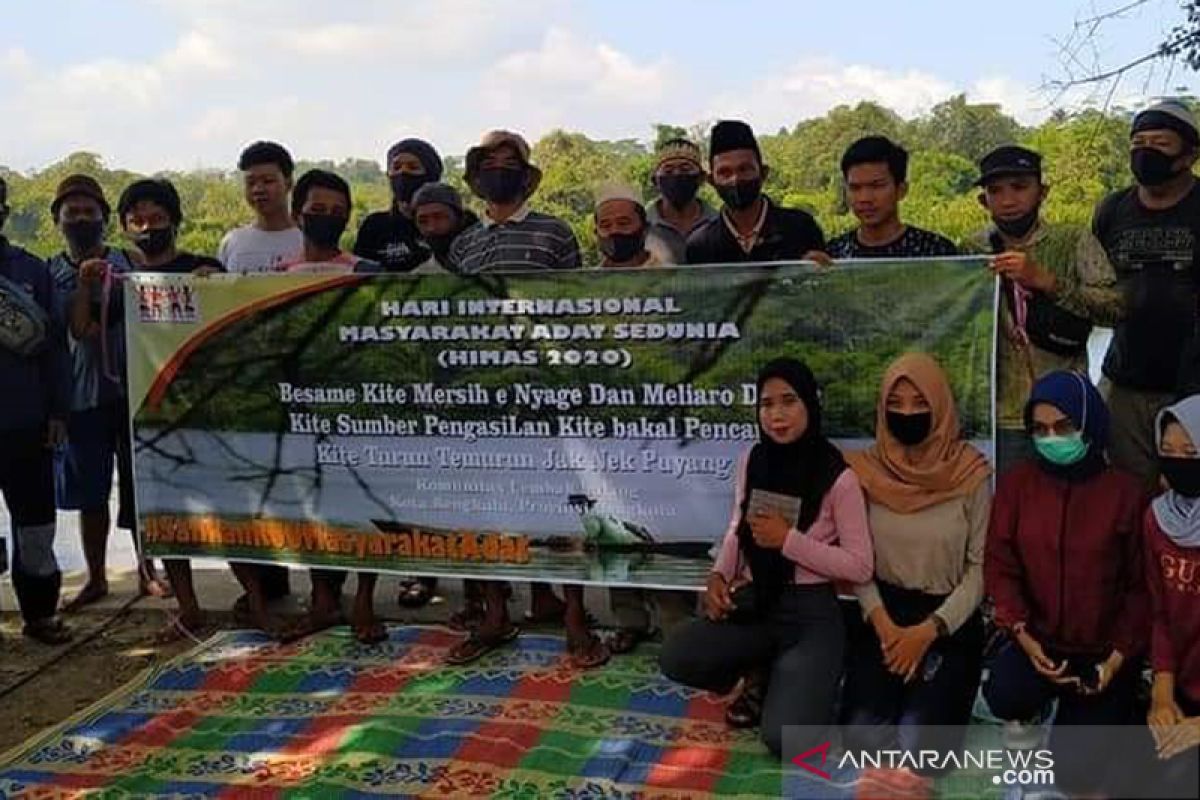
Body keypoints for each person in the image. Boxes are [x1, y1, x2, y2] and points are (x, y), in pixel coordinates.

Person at [659, 358, 873, 755]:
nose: (777, 415)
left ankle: (803, 676)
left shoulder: (838, 477)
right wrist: (720, 575)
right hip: (759, 603)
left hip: (812, 617)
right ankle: (763, 667)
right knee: (676, 655)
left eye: (788, 401)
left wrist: (788, 540)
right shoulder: (753, 460)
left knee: (784, 739)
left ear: (810, 403)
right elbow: (737, 528)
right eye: (766, 404)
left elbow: (860, 565)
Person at [984, 371, 1149, 795]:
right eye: (1039, 429)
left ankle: (1110, 710)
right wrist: (1022, 634)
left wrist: (1114, 661)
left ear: (1090, 425)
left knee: (1076, 774)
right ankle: (1047, 708)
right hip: (1039, 643)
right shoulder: (1018, 485)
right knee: (1004, 693)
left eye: (1064, 427)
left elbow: (1140, 589)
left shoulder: (1125, 495)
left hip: (1104, 654)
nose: (1051, 438)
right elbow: (1001, 566)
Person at [841, 353, 990, 785]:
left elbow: (980, 569)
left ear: (941, 406)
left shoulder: (971, 474)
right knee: (860, 741)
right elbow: (857, 560)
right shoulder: (863, 472)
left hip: (947, 619)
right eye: (897, 403)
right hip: (882, 615)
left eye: (920, 403)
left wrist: (928, 631)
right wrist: (884, 624)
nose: (907, 413)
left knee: (925, 754)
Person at [46, 175, 170, 611]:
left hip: (134, 391)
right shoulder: (52, 273)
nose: (82, 220)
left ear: (104, 219)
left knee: (141, 486)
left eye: (89, 213)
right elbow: (77, 331)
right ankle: (96, 576)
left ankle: (145, 570)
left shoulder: (129, 260)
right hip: (82, 396)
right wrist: (83, 284)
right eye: (72, 214)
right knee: (91, 492)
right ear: (58, 221)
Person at [966, 145, 1123, 473]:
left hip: (1067, 412)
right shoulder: (970, 250)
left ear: (1043, 192)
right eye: (996, 191)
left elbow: (1115, 308)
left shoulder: (1073, 240)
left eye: (1020, 187)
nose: (1008, 200)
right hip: (998, 416)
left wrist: (1048, 282)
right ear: (984, 201)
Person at [113, 178, 222, 639]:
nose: (148, 226)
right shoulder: (116, 281)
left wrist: (213, 286)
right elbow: (83, 329)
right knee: (162, 509)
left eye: (158, 218)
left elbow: (230, 308)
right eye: (138, 219)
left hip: (201, 410)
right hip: (141, 410)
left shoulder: (202, 267)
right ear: (124, 226)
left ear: (175, 221)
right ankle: (188, 606)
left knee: (225, 503)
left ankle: (255, 600)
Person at [1094, 99, 1200, 489]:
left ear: (1188, 154)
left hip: (1192, 383)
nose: (1145, 152)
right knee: (1127, 490)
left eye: (1160, 143)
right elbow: (1097, 285)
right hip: (1125, 382)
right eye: (1138, 142)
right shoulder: (1112, 210)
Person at [0, 176, 72, 644]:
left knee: (36, 524)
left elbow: (55, 349)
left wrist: (58, 411)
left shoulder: (30, 269)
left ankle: (40, 614)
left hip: (25, 419)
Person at [1146, 395, 1200, 792]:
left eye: (1191, 451)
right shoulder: (1157, 519)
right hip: (1183, 686)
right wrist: (1161, 697)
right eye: (1168, 452)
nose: (1178, 461)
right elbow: (1161, 615)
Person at [685, 120, 828, 265]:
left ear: (763, 173)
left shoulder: (801, 228)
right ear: (711, 181)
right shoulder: (700, 246)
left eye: (745, 169)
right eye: (724, 173)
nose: (735, 180)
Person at [448, 129, 581, 273]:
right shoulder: (463, 244)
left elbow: (576, 291)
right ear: (478, 177)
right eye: (489, 165)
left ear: (525, 177)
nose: (499, 170)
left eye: (510, 164)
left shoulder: (556, 232)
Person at [827, 136, 957, 259]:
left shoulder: (935, 251)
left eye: (876, 186)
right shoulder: (833, 255)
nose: (864, 198)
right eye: (855, 188)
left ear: (901, 190)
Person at [353, 138, 438, 272]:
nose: (403, 173)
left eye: (413, 167)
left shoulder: (454, 221)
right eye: (396, 167)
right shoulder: (374, 226)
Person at [217, 141, 303, 273]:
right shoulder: (232, 242)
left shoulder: (307, 241)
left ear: (289, 183)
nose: (258, 189)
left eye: (268, 181)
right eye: (251, 183)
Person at [284, 169, 381, 275]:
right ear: (296, 215)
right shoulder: (280, 273)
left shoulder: (368, 273)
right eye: (318, 209)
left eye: (337, 212)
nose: (328, 216)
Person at [646, 137, 717, 264]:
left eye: (685, 169)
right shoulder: (641, 227)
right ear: (655, 181)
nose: (677, 174)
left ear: (701, 178)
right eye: (668, 170)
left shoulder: (718, 224)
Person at [410, 182, 478, 274]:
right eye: (423, 221)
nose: (431, 228)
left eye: (439, 217)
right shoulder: (419, 277)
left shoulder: (487, 259)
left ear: (460, 218)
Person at [593, 183, 664, 268]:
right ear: (596, 233)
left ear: (645, 229)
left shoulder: (673, 277)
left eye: (623, 223)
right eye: (606, 225)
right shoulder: (585, 279)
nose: (614, 230)